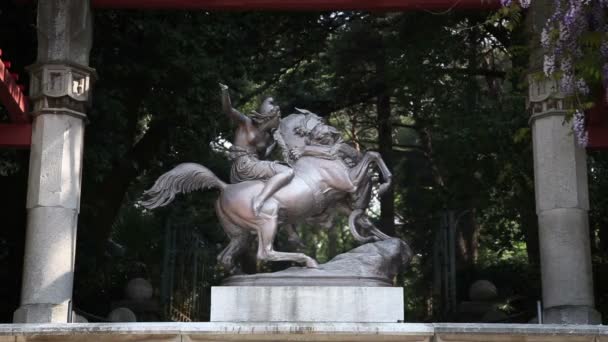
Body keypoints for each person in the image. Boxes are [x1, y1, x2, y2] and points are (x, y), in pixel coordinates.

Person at [220, 83, 294, 216]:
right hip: (243, 165)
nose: (280, 120)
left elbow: (263, 156)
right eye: (279, 117)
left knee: (277, 187)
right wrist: (225, 91)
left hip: (253, 166)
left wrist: (275, 143)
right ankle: (259, 200)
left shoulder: (267, 137)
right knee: (287, 172)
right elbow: (228, 110)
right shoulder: (246, 123)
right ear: (271, 116)